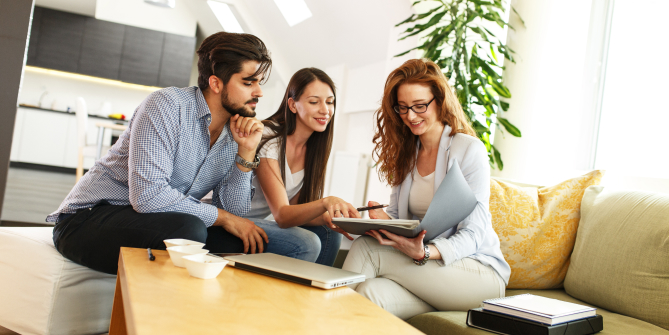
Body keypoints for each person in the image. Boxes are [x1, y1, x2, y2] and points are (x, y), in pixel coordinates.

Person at [47, 32, 303, 275]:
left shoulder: (236, 132)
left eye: (259, 83)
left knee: (235, 241)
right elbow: (148, 196)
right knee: (188, 229)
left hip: (152, 219)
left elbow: (233, 213)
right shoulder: (167, 106)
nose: (258, 92)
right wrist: (223, 218)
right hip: (88, 219)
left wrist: (245, 153)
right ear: (215, 83)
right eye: (248, 82)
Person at [341, 59, 510, 320]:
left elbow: (475, 233)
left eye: (420, 106)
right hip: (430, 273)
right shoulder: (406, 154)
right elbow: (403, 222)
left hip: (476, 272)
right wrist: (383, 221)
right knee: (370, 292)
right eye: (403, 108)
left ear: (440, 101)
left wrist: (426, 252)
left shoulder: (468, 150)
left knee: (367, 250)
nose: (410, 116)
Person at [246, 68, 359, 266]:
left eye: (330, 102)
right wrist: (326, 202)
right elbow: (282, 215)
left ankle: (315, 294)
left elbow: (296, 210)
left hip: (260, 223)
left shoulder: (313, 149)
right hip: (234, 222)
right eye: (314, 102)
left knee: (329, 231)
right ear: (293, 105)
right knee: (307, 242)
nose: (325, 110)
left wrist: (333, 217)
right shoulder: (269, 139)